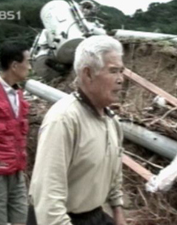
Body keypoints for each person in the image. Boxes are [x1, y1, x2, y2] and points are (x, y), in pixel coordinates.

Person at [28, 35, 127, 225]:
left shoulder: (111, 121)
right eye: (113, 71)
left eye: (122, 71)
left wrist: (118, 211)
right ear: (88, 74)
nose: (121, 79)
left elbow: (115, 176)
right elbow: (48, 200)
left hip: (94, 215)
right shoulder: (64, 120)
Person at [0, 42, 31, 225]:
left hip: (16, 171)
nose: (30, 67)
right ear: (15, 65)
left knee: (20, 217)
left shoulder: (17, 93)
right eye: (28, 62)